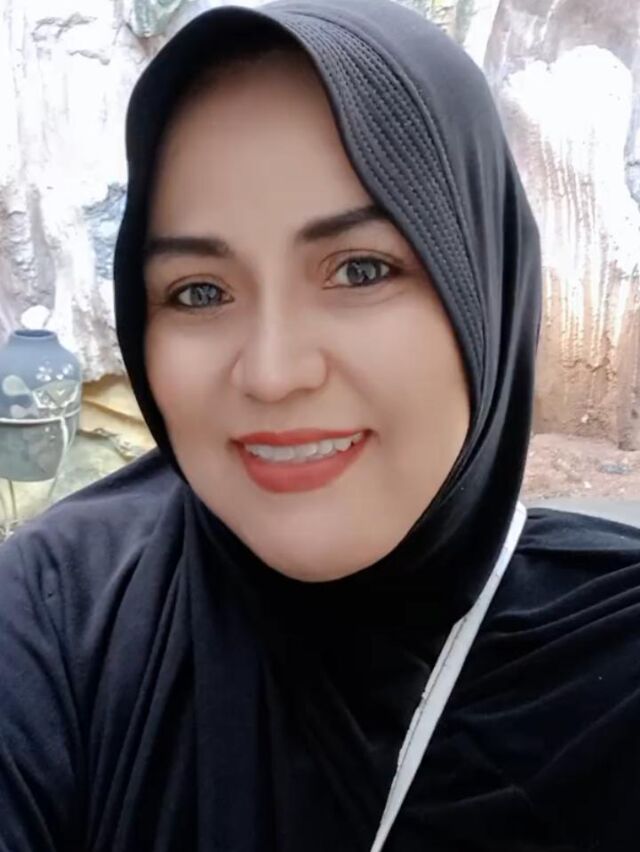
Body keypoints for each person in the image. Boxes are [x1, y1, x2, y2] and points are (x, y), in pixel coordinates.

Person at [1, 0, 640, 849]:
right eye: (199, 291)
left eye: (361, 270)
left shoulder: (613, 661)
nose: (271, 374)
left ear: (484, 283)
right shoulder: (61, 619)